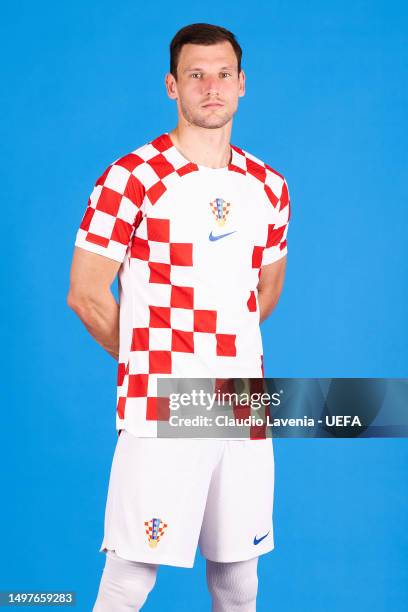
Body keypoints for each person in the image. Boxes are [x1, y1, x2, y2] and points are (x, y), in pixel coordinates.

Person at [67, 22, 291, 612]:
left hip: (243, 400)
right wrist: (154, 361)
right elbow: (87, 294)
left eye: (223, 75)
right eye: (196, 75)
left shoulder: (269, 186)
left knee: (238, 580)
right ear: (173, 86)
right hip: (164, 398)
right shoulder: (131, 178)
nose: (210, 87)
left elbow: (262, 292)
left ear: (242, 85)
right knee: (131, 576)